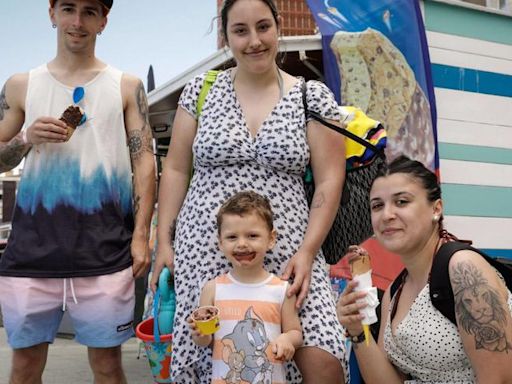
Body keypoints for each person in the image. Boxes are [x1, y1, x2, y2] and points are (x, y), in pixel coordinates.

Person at [151, 0, 348, 382]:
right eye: (241, 31)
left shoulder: (312, 96)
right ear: (226, 37)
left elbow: (329, 180)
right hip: (206, 247)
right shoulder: (201, 91)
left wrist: (308, 252)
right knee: (213, 358)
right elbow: (175, 169)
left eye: (263, 27)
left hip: (288, 246)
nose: (254, 40)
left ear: (278, 28)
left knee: (322, 357)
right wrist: (164, 242)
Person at [0, 1, 156, 383]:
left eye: (89, 11)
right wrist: (26, 137)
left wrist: (141, 237)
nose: (77, 21)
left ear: (103, 21)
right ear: (51, 13)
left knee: (107, 368)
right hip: (31, 254)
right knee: (23, 369)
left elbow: (146, 165)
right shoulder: (22, 85)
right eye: (68, 8)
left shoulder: (127, 86)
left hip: (104, 251)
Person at [337, 155, 512, 383]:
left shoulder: (463, 269)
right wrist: (358, 331)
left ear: (436, 209)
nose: (387, 215)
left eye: (402, 202)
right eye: (377, 205)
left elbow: (500, 379)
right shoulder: (395, 292)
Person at [188, 190, 303, 383]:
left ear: (271, 239)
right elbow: (206, 342)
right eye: (232, 237)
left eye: (252, 235)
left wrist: (287, 340)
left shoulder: (282, 289)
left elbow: (296, 332)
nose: (242, 244)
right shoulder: (212, 289)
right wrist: (199, 334)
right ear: (220, 243)